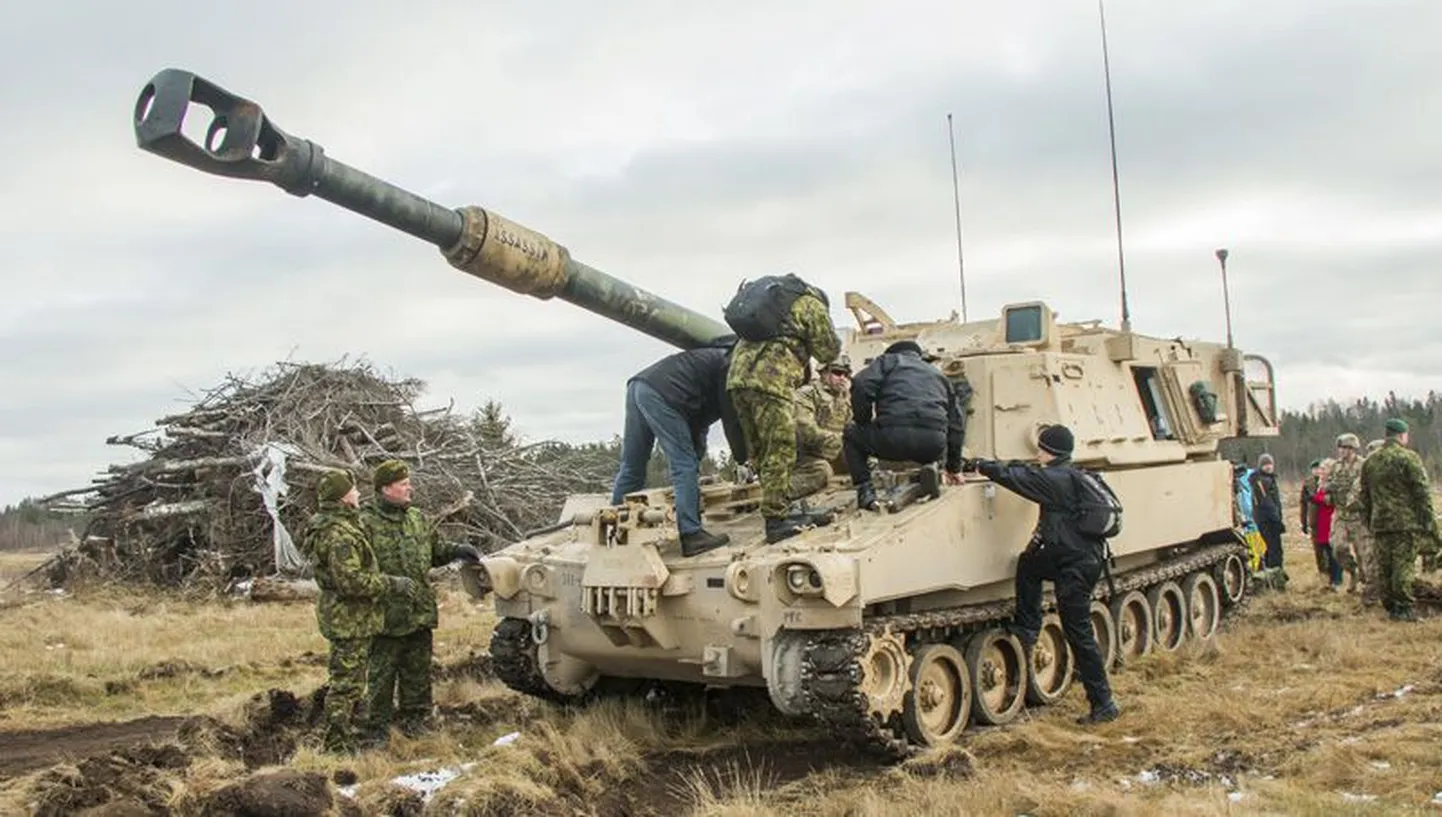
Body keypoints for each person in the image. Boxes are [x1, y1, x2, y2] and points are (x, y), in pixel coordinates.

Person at [962, 424, 1120, 725]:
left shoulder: (1054, 479)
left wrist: (981, 465)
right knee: (1029, 565)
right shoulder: (1072, 474)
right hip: (1078, 558)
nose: (1038, 452)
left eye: (1042, 448)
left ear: (1050, 451)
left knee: (1079, 632)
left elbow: (1016, 478)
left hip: (1074, 565)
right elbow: (1026, 472)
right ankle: (1029, 627)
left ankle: (1104, 703)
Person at [361, 460, 482, 739]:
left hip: (417, 610)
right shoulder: (365, 522)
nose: (409, 488)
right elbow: (358, 570)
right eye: (403, 484)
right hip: (384, 614)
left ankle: (416, 722)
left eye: (408, 483)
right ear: (386, 488)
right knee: (382, 673)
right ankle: (377, 728)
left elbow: (434, 550)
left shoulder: (417, 518)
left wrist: (458, 550)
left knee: (417, 670)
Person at [299, 469, 415, 754]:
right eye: (353, 489)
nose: (359, 493)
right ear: (342, 496)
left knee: (348, 681)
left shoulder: (331, 525)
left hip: (347, 616)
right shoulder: (339, 534)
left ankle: (343, 736)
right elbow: (351, 581)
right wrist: (392, 584)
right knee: (346, 686)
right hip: (349, 619)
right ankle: (337, 745)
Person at [726, 275, 841, 544]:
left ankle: (776, 505)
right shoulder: (811, 304)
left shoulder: (777, 299)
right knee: (780, 447)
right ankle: (776, 519)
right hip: (771, 379)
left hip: (738, 379)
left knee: (760, 450)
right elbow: (828, 351)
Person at [610, 345, 748, 556]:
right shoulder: (731, 367)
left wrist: (697, 457)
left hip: (640, 386)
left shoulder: (716, 358)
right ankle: (692, 535)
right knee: (684, 465)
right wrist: (743, 456)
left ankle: (613, 529)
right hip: (665, 393)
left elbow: (699, 423)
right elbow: (732, 422)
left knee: (632, 465)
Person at [843, 340, 968, 510]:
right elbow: (956, 425)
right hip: (932, 444)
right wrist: (954, 468)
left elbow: (860, 383)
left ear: (891, 353)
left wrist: (863, 421)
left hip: (894, 438)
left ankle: (865, 491)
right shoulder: (938, 375)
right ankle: (932, 467)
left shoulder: (888, 361)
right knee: (936, 439)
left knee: (851, 433)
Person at [1357, 419, 1441, 621]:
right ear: (1403, 435)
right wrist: (1430, 522)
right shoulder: (1408, 458)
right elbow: (1422, 493)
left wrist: (1370, 522)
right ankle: (1404, 608)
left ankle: (1390, 606)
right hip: (1405, 524)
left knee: (1384, 566)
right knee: (1403, 566)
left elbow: (1364, 497)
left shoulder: (1370, 461)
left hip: (1380, 524)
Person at [790, 355, 853, 501]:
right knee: (822, 471)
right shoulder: (807, 394)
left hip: (833, 453)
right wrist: (840, 440)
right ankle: (778, 495)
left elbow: (852, 426)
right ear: (823, 373)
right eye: (837, 373)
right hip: (804, 457)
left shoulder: (844, 397)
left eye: (846, 374)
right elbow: (806, 431)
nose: (842, 378)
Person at [1325, 433, 1371, 598]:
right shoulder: (1335, 466)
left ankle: (1366, 586)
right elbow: (1325, 484)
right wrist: (1327, 493)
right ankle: (1353, 572)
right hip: (1341, 515)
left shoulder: (1363, 465)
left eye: (1345, 448)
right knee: (1338, 548)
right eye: (1340, 448)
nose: (1341, 451)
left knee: (1364, 554)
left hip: (1358, 516)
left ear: (1352, 449)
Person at [1248, 454, 1286, 574]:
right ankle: (1275, 575)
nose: (1268, 467)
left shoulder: (1268, 479)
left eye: (1270, 464)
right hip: (1267, 520)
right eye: (1265, 465)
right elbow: (1267, 503)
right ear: (1261, 466)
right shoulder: (1262, 481)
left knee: (1269, 549)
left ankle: (1265, 573)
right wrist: (1277, 521)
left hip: (1267, 519)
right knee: (1275, 550)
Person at [1312, 458, 1343, 590]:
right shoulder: (1320, 483)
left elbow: (1331, 501)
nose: (1320, 471)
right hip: (1321, 521)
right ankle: (1330, 578)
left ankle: (1337, 579)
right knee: (1325, 550)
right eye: (1320, 469)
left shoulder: (1333, 484)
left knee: (1333, 552)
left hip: (1331, 520)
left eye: (1323, 469)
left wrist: (1316, 498)